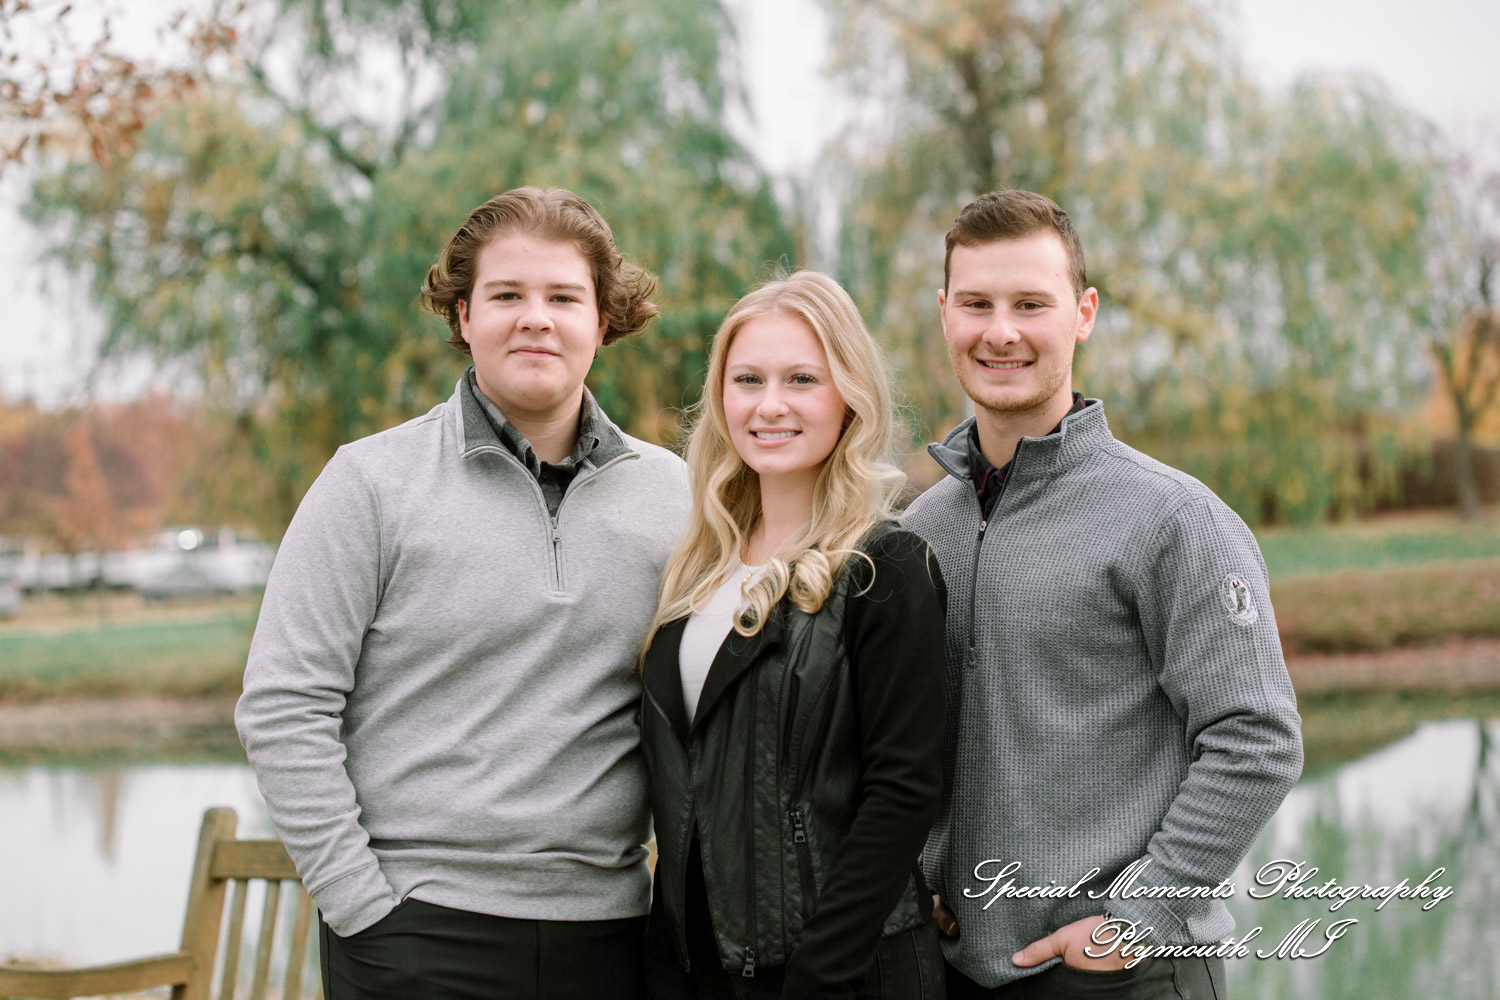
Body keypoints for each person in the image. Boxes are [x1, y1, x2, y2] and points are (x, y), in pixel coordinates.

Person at [235, 186, 691, 999]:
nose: (536, 318)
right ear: (463, 317)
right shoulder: (369, 485)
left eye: (563, 297)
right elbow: (283, 705)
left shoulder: (675, 496)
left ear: (603, 319)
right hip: (416, 930)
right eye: (507, 295)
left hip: (615, 936)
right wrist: (360, 906)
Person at [901, 190, 1304, 999]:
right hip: (956, 973)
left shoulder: (1173, 519)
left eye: (1031, 304)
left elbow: (1256, 738)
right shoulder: (918, 528)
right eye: (976, 303)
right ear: (945, 314)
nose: (1001, 330)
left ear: (1082, 313)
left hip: (1124, 975)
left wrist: (1146, 912)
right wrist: (919, 875)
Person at [639, 271, 948, 999]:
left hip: (845, 976)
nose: (769, 405)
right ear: (721, 398)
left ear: (849, 397)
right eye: (747, 379)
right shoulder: (693, 570)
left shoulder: (885, 567)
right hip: (704, 971)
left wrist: (817, 977)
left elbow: (902, 793)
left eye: (801, 379)